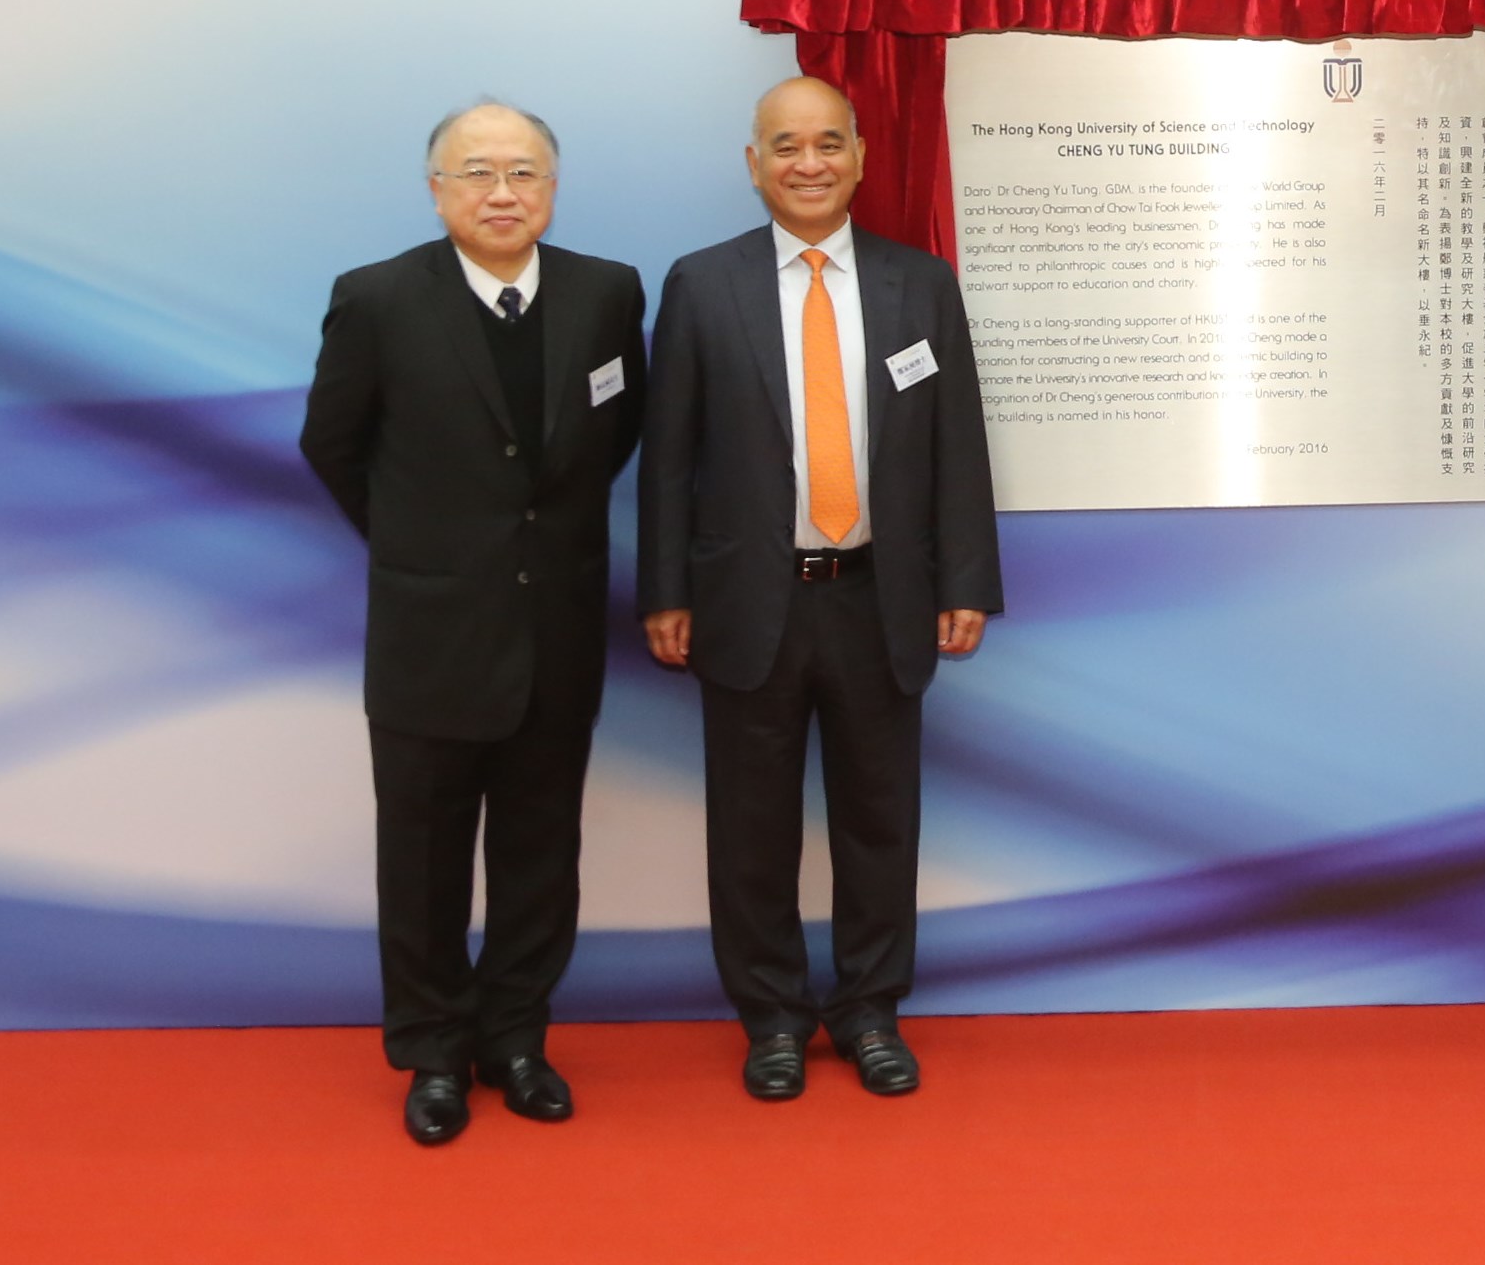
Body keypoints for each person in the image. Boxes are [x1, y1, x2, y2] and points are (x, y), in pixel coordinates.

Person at [639, 76, 1003, 1101]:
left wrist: (965, 574)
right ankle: (772, 1018)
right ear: (753, 162)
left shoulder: (917, 282)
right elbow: (667, 456)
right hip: (748, 599)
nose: (809, 162)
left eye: (829, 143)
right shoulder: (703, 284)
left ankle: (872, 1008)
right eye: (786, 145)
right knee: (750, 827)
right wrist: (665, 588)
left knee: (880, 819)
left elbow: (957, 442)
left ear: (861, 157)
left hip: (877, 594)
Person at [298, 99, 649, 1146]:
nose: (504, 191)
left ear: (552, 185)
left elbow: (613, 431)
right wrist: (426, 547)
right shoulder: (377, 299)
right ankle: (434, 1051)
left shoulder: (604, 292)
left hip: (560, 629)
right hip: (429, 633)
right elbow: (332, 444)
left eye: (525, 171)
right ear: (438, 187)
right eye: (478, 171)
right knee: (424, 856)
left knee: (542, 849)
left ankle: (517, 1038)